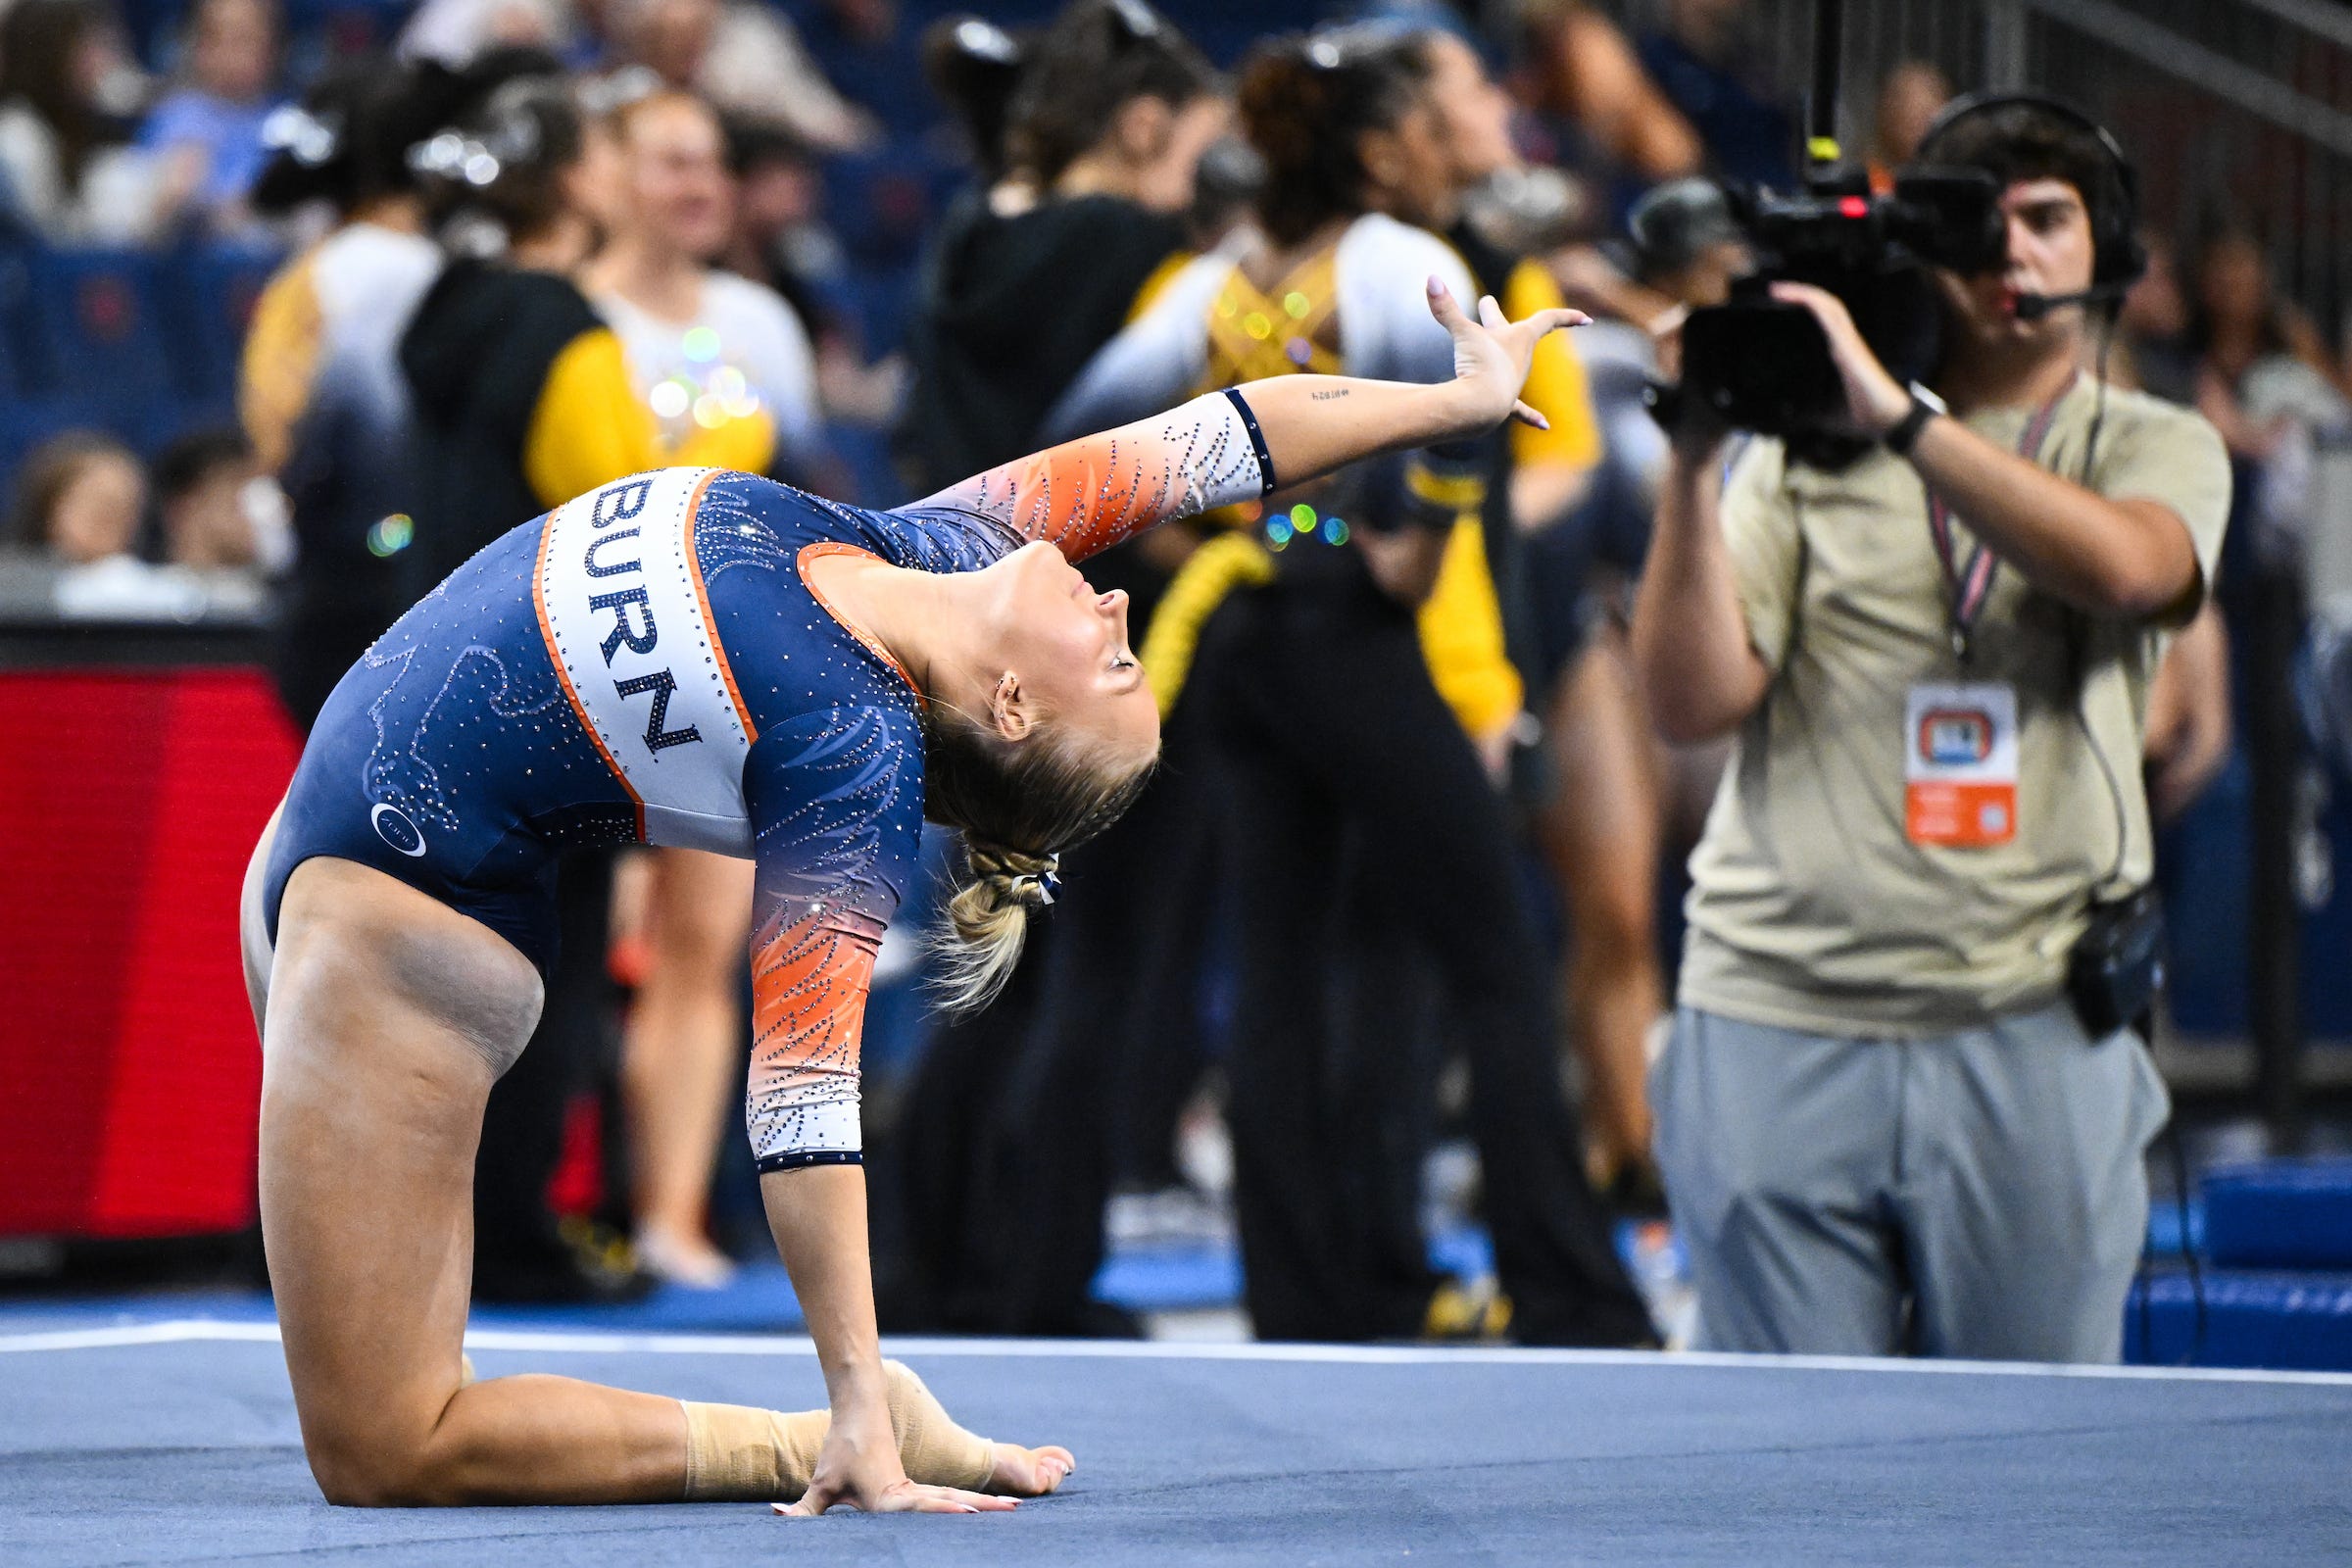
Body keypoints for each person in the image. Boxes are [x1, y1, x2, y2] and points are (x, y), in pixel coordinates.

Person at [236, 261, 1579, 1507]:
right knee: (388, 1395)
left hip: (400, 919)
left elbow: (804, 1102)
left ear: (1011, 706)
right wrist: (1449, 404)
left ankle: (823, 1434)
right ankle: (857, 1415)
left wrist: (855, 1390)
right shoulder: (931, 547)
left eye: (1114, 667)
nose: (1122, 610)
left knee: (387, 1445)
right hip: (329, 853)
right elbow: (1221, 441)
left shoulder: (851, 750)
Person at [1054, 25, 1651, 1348]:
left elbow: (1085, 436)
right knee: (1495, 954)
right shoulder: (1395, 258)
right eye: (1428, 130)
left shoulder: (1211, 278)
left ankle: (1300, 1291)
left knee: (1277, 967)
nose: (1445, 148)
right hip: (1353, 631)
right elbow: (1460, 417)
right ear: (1380, 152)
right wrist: (1405, 543)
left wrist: (1213, 537)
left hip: (1240, 641)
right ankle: (1573, 1293)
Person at [1631, 96, 2232, 1361]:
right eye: (1981, 224)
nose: (2015, 252)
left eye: (2050, 219)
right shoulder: (1799, 456)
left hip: (2028, 1020)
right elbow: (1688, 703)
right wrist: (1689, 463)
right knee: (1784, 1457)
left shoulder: (2152, 442)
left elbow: (2132, 573)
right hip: (1776, 1009)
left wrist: (1903, 420)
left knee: (2028, 1449)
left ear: (2109, 252)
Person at [883, 0, 1224, 1335]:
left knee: (988, 950)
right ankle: (1037, 1275)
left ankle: (936, 1260)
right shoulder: (1141, 249)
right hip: (1094, 640)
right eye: (1191, 148)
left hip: (959, 632)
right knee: (1097, 966)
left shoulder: (969, 237)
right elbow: (1163, 455)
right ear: (1142, 126)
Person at [581, 83, 825, 1287]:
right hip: (592, 659)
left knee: (705, 944)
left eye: (711, 162)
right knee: (587, 950)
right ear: (609, 174)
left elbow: (800, 497)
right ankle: (569, 1208)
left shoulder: (759, 322)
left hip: (725, 669)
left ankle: (671, 1214)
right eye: (670, 161)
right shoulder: (577, 319)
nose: (698, 185)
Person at [241, 53, 474, 728]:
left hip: (346, 583)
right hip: (426, 581)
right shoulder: (445, 272)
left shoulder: (316, 278)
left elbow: (275, 431)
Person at [0, 0, 155, 242]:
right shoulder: (17, 136)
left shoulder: (83, 124)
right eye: (87, 47)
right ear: (52, 55)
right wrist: (153, 214)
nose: (103, 60)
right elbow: (51, 244)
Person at [138, 0, 285, 235]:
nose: (228, 54)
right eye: (215, 38)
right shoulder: (176, 117)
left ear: (271, 48)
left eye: (243, 39)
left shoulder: (287, 121)